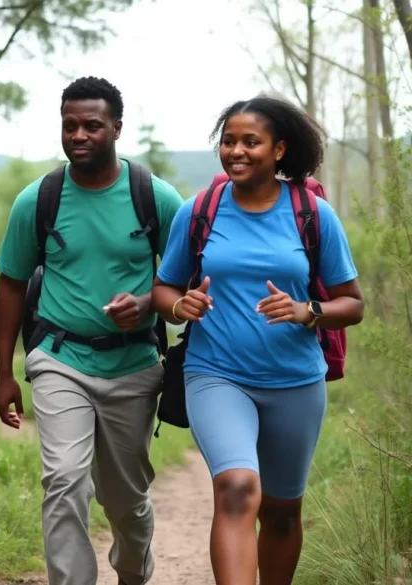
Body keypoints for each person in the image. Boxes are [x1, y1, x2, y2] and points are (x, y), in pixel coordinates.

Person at [151, 95, 364, 584]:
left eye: (251, 141)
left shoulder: (312, 213)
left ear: (280, 149)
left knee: (283, 509)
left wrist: (308, 311)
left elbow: (352, 303)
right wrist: (179, 305)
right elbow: (164, 287)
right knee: (237, 488)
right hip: (216, 374)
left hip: (295, 381)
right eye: (229, 141)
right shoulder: (199, 210)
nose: (237, 151)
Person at [0, 76, 184, 585]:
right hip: (60, 359)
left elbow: (187, 281)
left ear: (116, 127)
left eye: (92, 126)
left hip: (135, 364)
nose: (79, 135)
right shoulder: (38, 200)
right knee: (63, 481)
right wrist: (4, 374)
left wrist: (146, 303)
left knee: (126, 501)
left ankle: (132, 572)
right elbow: (11, 286)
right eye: (69, 125)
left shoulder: (155, 198)